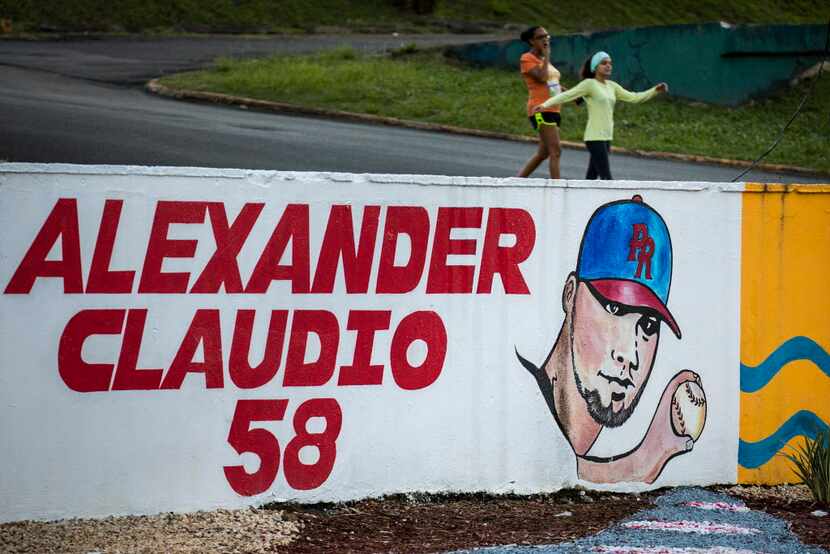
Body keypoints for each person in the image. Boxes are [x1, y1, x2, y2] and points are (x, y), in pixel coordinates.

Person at [516, 194, 704, 484]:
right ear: (570, 294)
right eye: (614, 309)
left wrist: (648, 456)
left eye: (648, 325)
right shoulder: (514, 387)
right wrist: (641, 462)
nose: (630, 355)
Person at [533, 51, 668, 180]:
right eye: (604, 63)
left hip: (606, 136)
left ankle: (583, 201)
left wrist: (654, 90)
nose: (608, 65)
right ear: (595, 67)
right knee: (606, 177)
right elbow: (566, 95)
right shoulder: (589, 84)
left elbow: (634, 98)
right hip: (594, 137)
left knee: (591, 178)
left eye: (610, 63)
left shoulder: (612, 86)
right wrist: (545, 105)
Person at [517, 26, 565, 179]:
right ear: (531, 41)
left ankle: (516, 181)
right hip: (540, 110)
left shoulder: (544, 60)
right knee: (555, 151)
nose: (545, 39)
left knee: (543, 153)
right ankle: (557, 190)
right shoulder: (527, 59)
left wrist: (573, 94)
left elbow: (553, 83)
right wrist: (547, 56)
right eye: (540, 37)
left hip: (554, 110)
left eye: (547, 36)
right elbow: (542, 77)